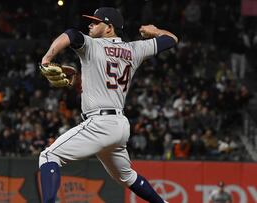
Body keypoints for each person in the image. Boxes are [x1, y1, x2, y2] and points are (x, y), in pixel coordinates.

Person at [39, 7, 178, 203]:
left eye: (96, 22)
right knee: (127, 176)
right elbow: (171, 39)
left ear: (109, 28)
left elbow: (70, 34)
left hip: (99, 123)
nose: (90, 24)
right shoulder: (135, 49)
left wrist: (46, 59)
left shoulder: (92, 46)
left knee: (48, 156)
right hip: (119, 125)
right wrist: (155, 31)